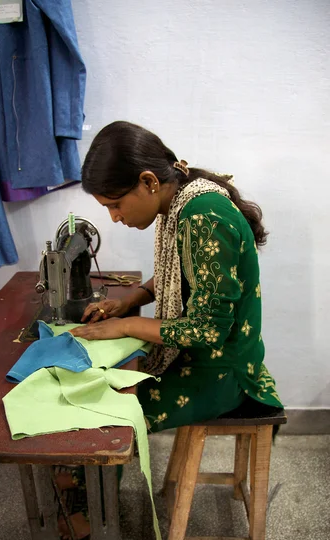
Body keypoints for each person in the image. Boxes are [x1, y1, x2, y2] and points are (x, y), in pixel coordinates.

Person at [70, 121, 283, 432]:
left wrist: (127, 324)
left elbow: (208, 330)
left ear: (148, 182)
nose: (114, 217)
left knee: (99, 412)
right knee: (98, 381)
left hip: (219, 371)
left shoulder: (203, 215)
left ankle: (82, 478)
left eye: (115, 205)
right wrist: (131, 300)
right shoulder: (182, 198)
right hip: (203, 357)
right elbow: (187, 271)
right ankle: (91, 478)